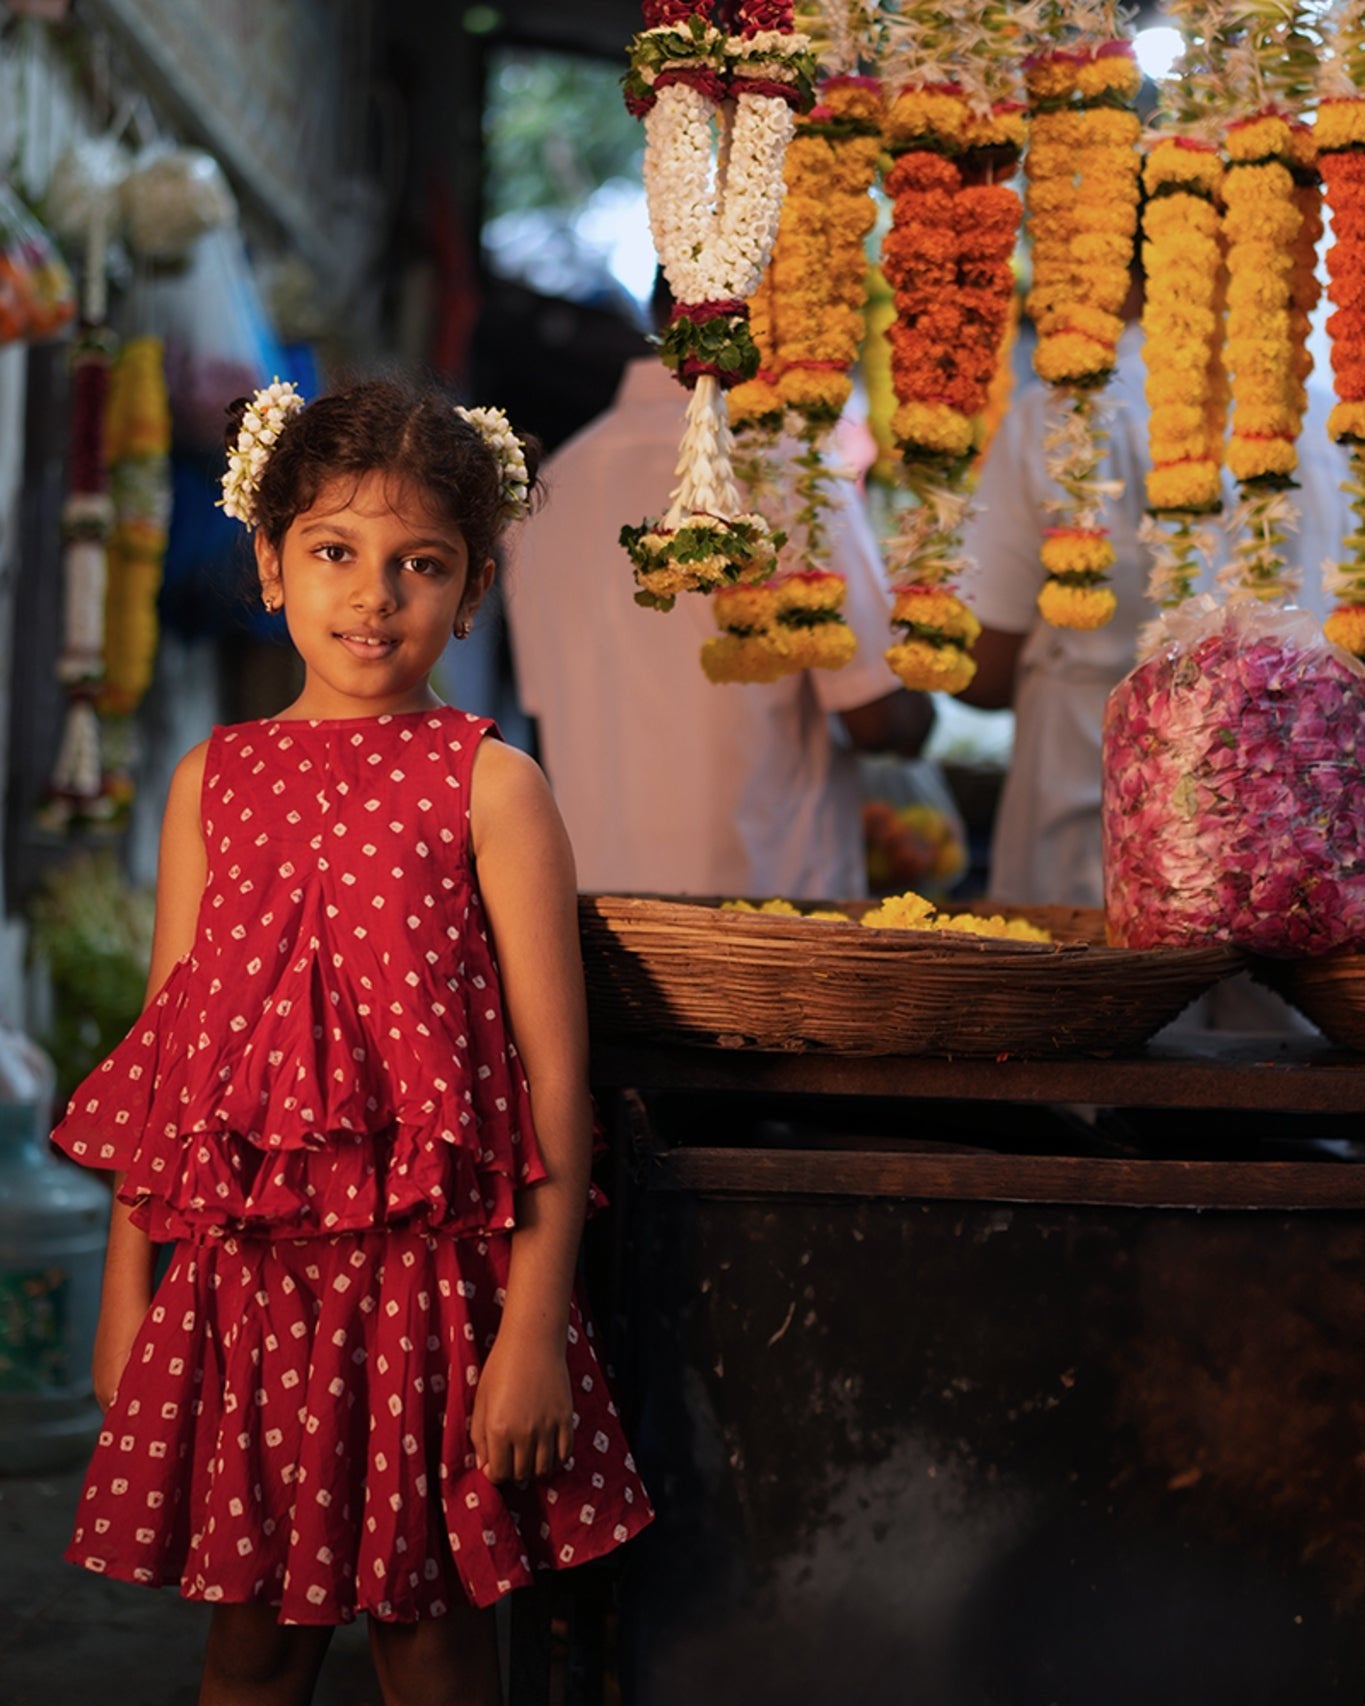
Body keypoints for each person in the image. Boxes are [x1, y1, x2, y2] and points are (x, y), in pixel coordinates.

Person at [49, 378, 652, 1706]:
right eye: (335, 552)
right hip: (247, 1293)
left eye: (418, 565)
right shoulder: (215, 781)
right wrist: (124, 1298)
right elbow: (171, 1068)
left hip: (432, 1299)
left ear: (472, 590)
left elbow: (556, 1079)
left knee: (427, 1637)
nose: (373, 596)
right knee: (249, 1639)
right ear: (270, 564)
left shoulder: (493, 784)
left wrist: (536, 1327)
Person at [505, 351, 933, 900]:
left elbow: (546, 710)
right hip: (766, 916)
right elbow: (878, 719)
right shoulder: (790, 472)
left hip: (600, 912)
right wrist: (922, 698)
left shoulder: (551, 491)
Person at [960, 318, 1349, 909]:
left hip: (1090, 820)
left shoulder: (1054, 418)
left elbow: (982, 668)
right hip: (1294, 834)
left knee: (1109, 998)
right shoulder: (1331, 425)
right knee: (1280, 993)